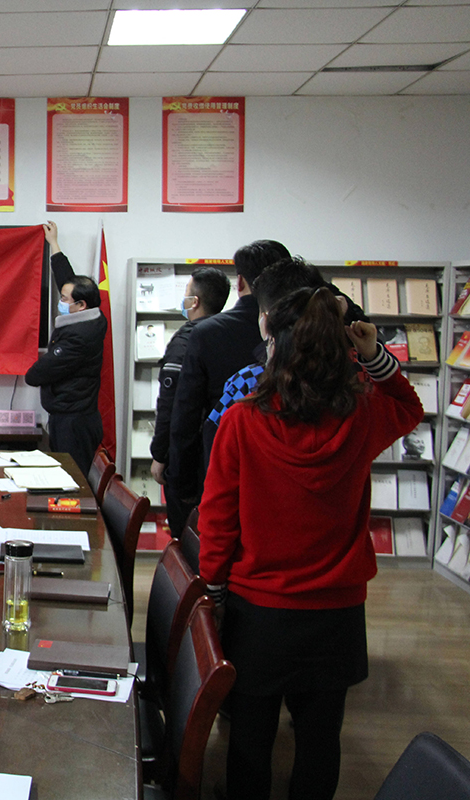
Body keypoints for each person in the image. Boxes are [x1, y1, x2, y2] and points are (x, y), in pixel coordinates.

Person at [197, 285, 423, 800]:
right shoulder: (362, 416)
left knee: (249, 738)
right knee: (320, 741)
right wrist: (373, 354)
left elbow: (218, 519)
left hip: (260, 610)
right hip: (337, 611)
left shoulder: (242, 420)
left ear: (275, 345)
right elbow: (408, 407)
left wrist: (213, 592)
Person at [166, 239, 288, 535]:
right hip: (283, 478)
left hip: (219, 469)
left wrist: (181, 482)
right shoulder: (306, 331)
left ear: (240, 281)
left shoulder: (207, 332)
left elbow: (186, 413)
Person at [200, 257, 369, 467]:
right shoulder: (353, 386)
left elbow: (216, 448)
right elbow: (401, 404)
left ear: (266, 320)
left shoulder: (247, 383)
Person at [150, 267, 230, 535]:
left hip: (185, 457)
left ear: (194, 302)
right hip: (215, 454)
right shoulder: (225, 336)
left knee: (184, 535)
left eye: (186, 294)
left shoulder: (187, 339)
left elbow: (170, 404)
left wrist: (160, 454)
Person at [25, 221, 107, 475]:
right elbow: (68, 281)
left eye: (63, 299)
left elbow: (34, 375)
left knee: (74, 480)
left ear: (80, 305)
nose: (60, 302)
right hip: (75, 417)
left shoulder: (78, 337)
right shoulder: (94, 316)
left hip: (74, 424)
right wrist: (54, 244)